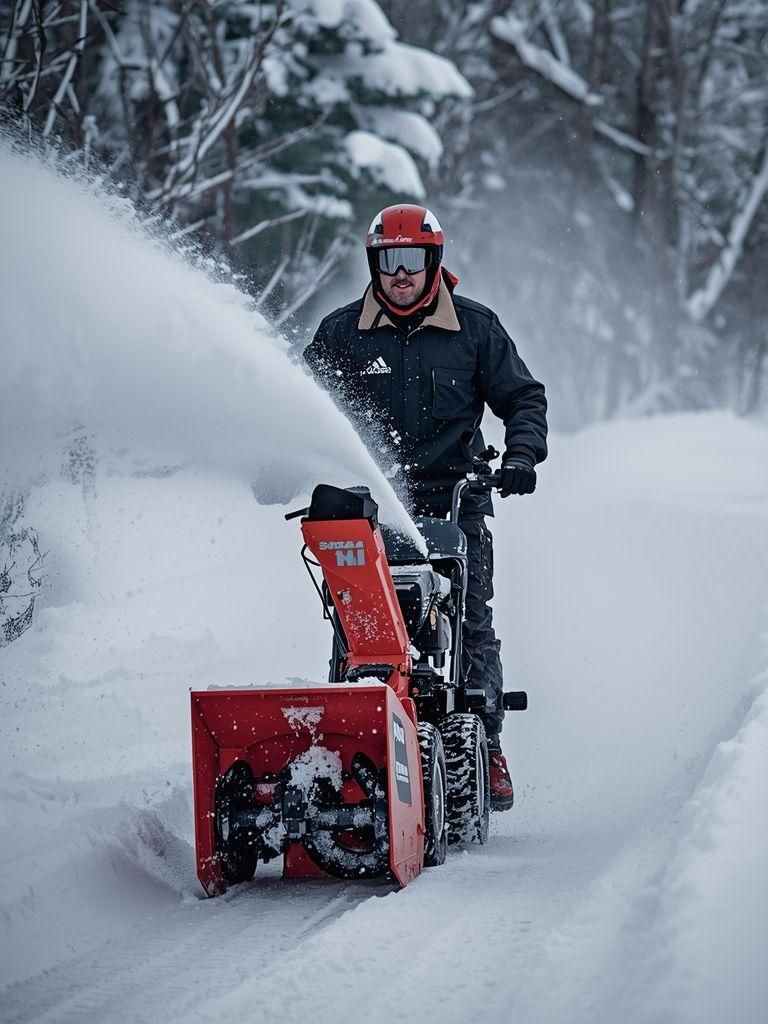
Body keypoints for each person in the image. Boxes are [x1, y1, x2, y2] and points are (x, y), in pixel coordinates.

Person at [303, 203, 548, 810]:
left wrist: (521, 458)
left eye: (413, 260)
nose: (401, 274)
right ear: (374, 264)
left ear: (434, 261)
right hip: (372, 507)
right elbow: (304, 413)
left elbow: (524, 399)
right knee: (357, 622)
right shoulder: (341, 335)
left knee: (468, 622)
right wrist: (277, 467)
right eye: (389, 262)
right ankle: (350, 733)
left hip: (455, 500)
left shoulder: (473, 329)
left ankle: (485, 742)